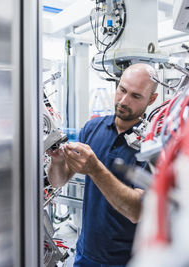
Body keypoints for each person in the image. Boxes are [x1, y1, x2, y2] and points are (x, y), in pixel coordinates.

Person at [47, 63, 158, 267]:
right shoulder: (92, 128)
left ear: (151, 99)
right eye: (122, 90)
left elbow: (137, 211)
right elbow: (58, 180)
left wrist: (95, 168)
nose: (124, 101)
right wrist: (57, 160)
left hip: (126, 260)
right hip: (85, 253)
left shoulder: (153, 145)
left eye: (135, 96)